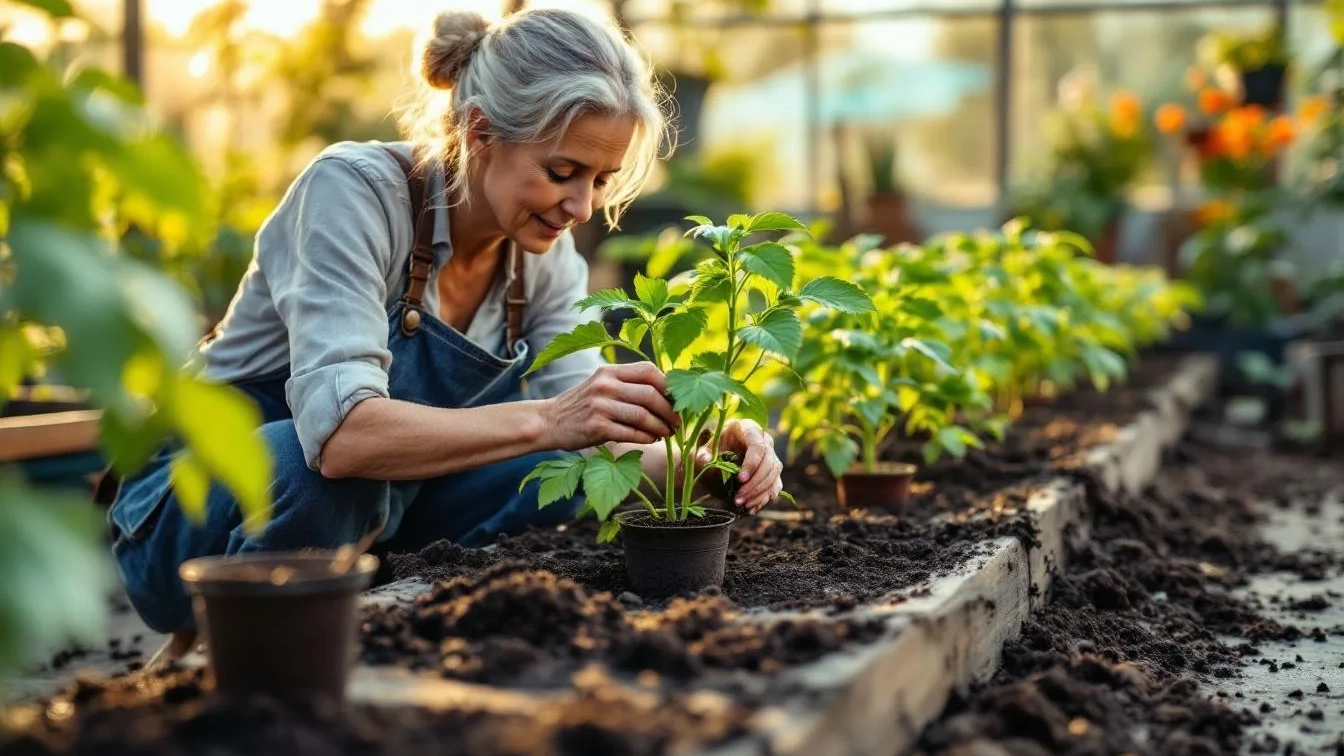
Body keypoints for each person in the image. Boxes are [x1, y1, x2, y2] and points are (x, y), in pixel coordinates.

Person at [108, 7, 784, 638]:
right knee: (319, 470)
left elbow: (594, 452)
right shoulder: (354, 193)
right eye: (563, 171)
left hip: (381, 514)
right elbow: (341, 439)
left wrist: (710, 458)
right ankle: (247, 653)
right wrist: (551, 417)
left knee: (548, 473)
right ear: (480, 132)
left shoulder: (540, 259)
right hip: (190, 516)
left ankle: (348, 625)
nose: (581, 206)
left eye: (602, 180)